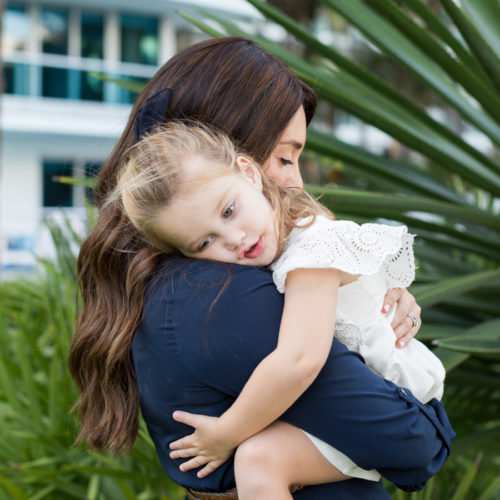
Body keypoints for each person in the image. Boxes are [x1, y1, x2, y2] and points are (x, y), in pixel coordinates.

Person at [69, 37, 454, 499]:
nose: (295, 180)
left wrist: (373, 291)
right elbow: (415, 443)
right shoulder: (221, 296)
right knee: (261, 459)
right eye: (285, 157)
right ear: (237, 157)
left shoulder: (191, 276)